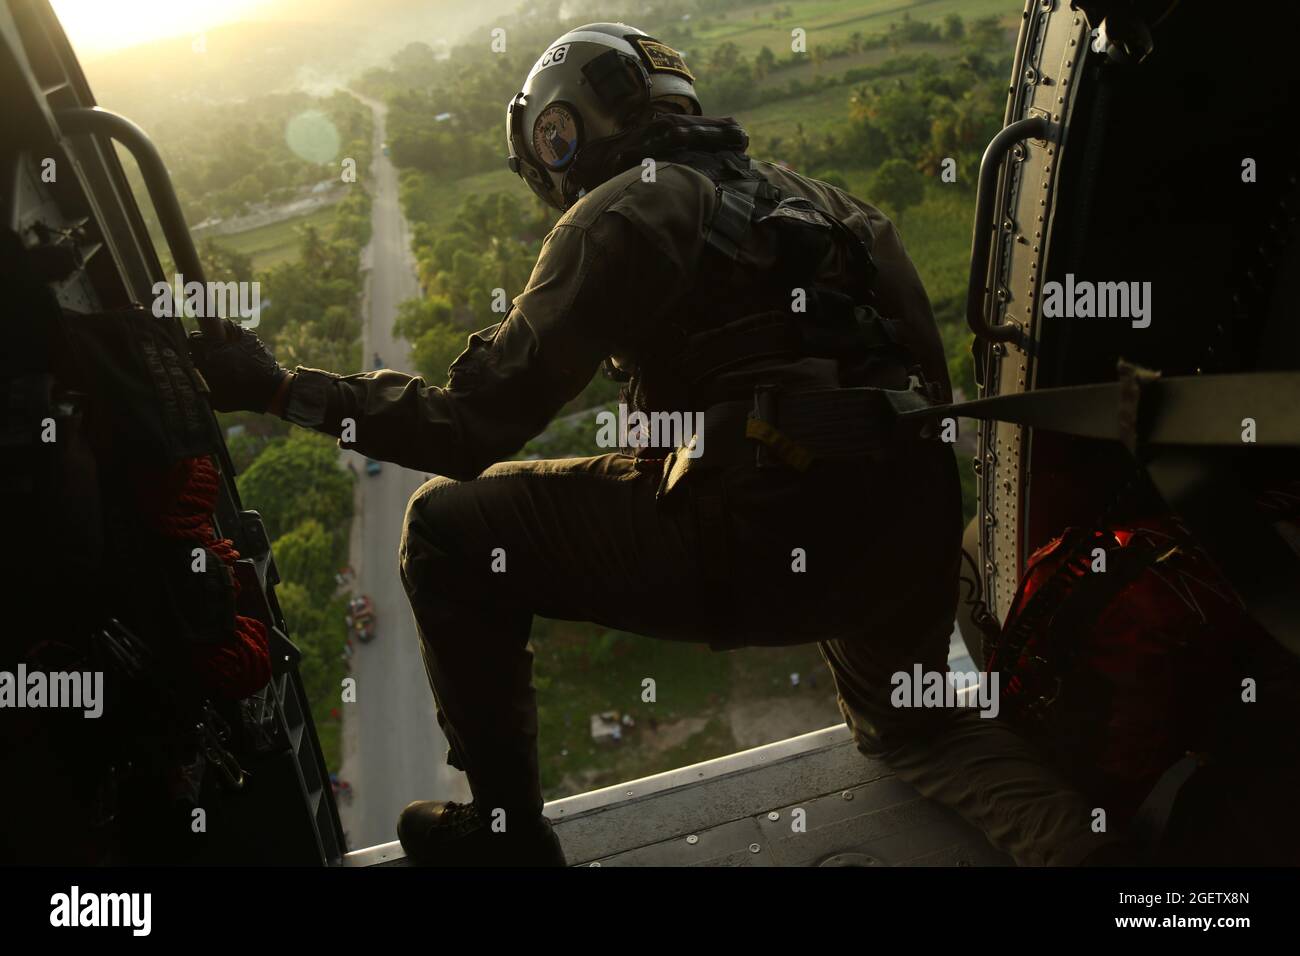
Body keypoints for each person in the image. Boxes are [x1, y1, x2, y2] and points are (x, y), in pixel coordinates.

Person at [189, 23, 1120, 867]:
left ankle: (506, 838)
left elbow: (467, 428)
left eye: (549, 147)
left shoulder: (622, 212)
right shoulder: (837, 206)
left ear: (568, 127)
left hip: (761, 533)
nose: (553, 172)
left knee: (443, 529)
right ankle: (1099, 861)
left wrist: (277, 387)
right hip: (907, 526)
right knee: (920, 731)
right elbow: (929, 384)